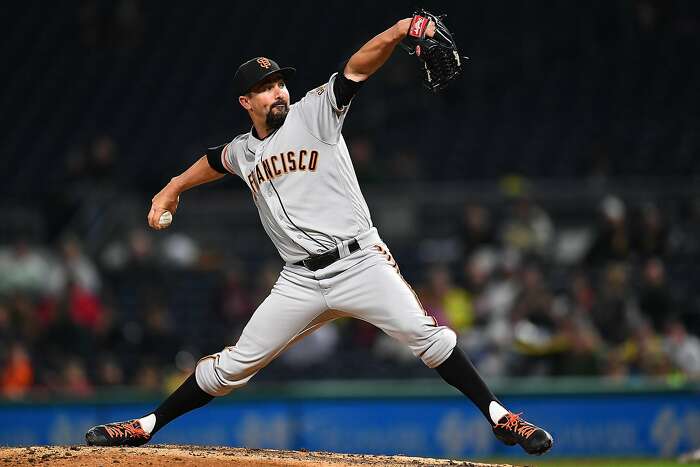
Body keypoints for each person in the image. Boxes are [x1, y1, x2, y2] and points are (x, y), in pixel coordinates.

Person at [85, 16, 553, 456]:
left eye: (279, 83)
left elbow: (355, 69)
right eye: (264, 89)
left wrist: (396, 31)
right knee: (234, 366)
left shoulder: (315, 112)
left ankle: (501, 416)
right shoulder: (245, 151)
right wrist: (171, 188)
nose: (277, 92)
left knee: (426, 336)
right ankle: (146, 425)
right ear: (246, 103)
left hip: (360, 262)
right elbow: (213, 160)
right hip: (300, 281)